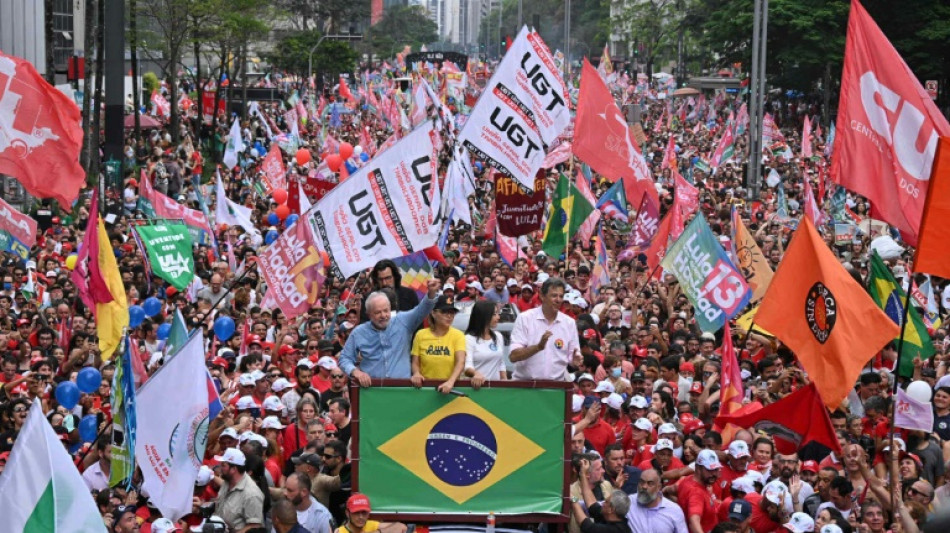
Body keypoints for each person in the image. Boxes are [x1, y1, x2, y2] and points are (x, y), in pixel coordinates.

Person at [340, 279, 440, 385]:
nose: (383, 315)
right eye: (378, 312)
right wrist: (356, 372)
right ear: (368, 314)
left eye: (386, 310)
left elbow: (422, 310)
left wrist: (431, 293)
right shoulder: (359, 332)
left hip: (401, 388)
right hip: (372, 390)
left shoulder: (403, 321)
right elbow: (344, 359)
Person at [509, 277, 580, 381]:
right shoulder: (525, 318)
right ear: (542, 296)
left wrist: (575, 361)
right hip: (525, 385)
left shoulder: (569, 323)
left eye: (561, 296)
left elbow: (572, 357)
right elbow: (513, 356)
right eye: (554, 295)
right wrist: (538, 347)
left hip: (556, 386)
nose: (558, 300)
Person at [410, 294, 467, 393]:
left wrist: (450, 382)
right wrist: (416, 373)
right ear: (433, 313)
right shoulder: (420, 335)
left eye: (452, 312)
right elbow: (415, 362)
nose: (449, 316)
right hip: (425, 388)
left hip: (450, 389)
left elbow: (460, 361)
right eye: (444, 312)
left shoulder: (458, 335)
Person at [571, 456, 632, 533]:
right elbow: (591, 504)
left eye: (606, 502)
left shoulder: (617, 530)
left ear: (611, 510)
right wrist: (583, 474)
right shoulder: (611, 516)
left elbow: (587, 526)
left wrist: (573, 499)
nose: (602, 504)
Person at [214, 447, 265, 532]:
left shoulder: (252, 494)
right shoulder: (228, 482)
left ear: (233, 469)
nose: (220, 468)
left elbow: (254, 526)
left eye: (223, 465)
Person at [625, 468, 688, 533]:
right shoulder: (629, 503)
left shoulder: (674, 510)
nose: (644, 486)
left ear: (659, 487)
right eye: (642, 482)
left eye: (650, 483)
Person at [677, 449, 722, 533]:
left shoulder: (687, 480)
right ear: (698, 468)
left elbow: (671, 489)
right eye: (709, 470)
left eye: (716, 469)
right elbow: (694, 521)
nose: (714, 474)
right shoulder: (696, 492)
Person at [464, 300, 508, 383]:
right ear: (484, 316)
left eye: (498, 313)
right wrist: (475, 374)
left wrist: (505, 382)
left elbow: (501, 363)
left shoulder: (498, 336)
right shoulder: (469, 339)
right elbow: (467, 367)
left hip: (496, 388)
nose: (498, 317)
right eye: (494, 314)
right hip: (478, 387)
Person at [334, 493, 407, 533]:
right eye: (356, 513)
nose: (361, 517)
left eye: (364, 512)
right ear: (347, 513)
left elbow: (401, 527)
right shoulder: (340, 531)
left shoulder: (370, 525)